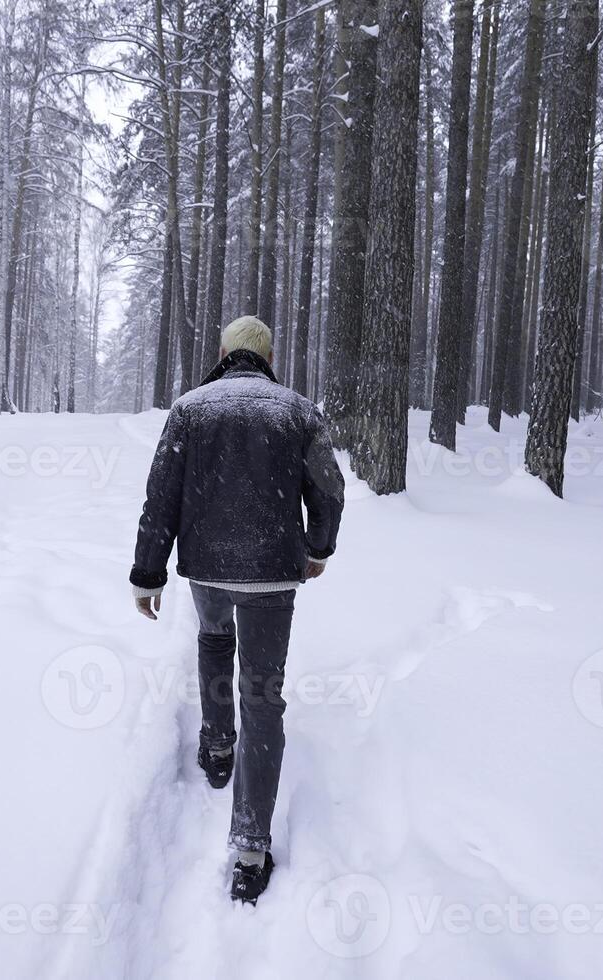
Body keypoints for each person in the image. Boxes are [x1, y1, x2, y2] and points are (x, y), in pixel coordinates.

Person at [129, 315, 345, 904]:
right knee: (263, 694)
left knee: (213, 641)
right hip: (273, 573)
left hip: (208, 566)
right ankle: (251, 844)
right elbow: (329, 489)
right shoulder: (297, 412)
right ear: (268, 356)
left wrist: (148, 573)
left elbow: (161, 496)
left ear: (224, 351)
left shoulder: (191, 410)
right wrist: (318, 548)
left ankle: (217, 742)